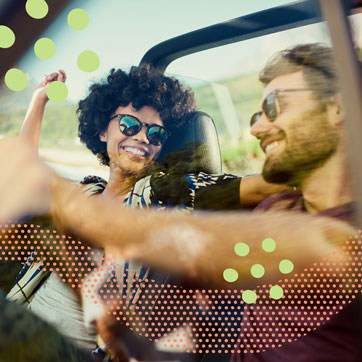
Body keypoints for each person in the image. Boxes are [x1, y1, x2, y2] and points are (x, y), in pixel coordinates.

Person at [4, 64, 286, 361]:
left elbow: (255, 188)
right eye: (128, 125)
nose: (142, 137)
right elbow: (21, 168)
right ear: (102, 130)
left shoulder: (161, 194)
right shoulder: (82, 192)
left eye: (155, 133)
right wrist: (40, 99)